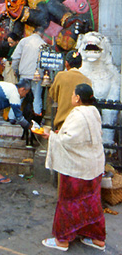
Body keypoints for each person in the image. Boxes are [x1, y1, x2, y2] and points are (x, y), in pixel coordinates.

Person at [42, 84, 105, 251]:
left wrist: (51, 136)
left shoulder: (78, 114)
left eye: (72, 94)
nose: (71, 96)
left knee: (69, 203)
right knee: (91, 202)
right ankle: (97, 238)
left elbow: (68, 140)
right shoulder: (94, 111)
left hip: (77, 168)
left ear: (77, 98)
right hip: (95, 164)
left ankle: (62, 240)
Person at [49, 50, 92, 130]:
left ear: (66, 63)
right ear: (81, 64)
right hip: (80, 124)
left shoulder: (60, 76)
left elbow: (53, 95)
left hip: (63, 123)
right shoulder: (87, 81)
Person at [11, 27, 45, 116]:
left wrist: (15, 70)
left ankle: (12, 116)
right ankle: (37, 117)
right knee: (37, 97)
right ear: (42, 34)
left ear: (33, 32)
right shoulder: (43, 44)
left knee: (18, 95)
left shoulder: (24, 41)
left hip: (24, 74)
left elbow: (15, 58)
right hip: (37, 76)